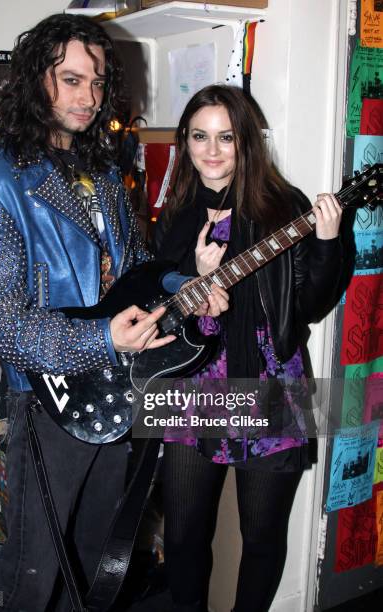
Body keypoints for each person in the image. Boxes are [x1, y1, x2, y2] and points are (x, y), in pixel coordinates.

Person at [0, 14, 228, 612]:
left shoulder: (103, 171)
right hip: (46, 397)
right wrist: (101, 338)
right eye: (71, 80)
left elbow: (134, 263)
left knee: (96, 558)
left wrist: (189, 282)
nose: (87, 97)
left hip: (113, 390)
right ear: (37, 82)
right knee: (34, 573)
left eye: (97, 82)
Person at [155, 85, 343, 612]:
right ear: (185, 142)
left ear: (248, 143)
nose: (212, 151)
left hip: (269, 380)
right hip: (190, 384)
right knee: (184, 535)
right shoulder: (176, 211)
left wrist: (327, 244)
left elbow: (308, 306)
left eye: (226, 137)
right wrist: (192, 278)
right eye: (200, 136)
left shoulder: (286, 207)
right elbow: (151, 302)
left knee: (263, 536)